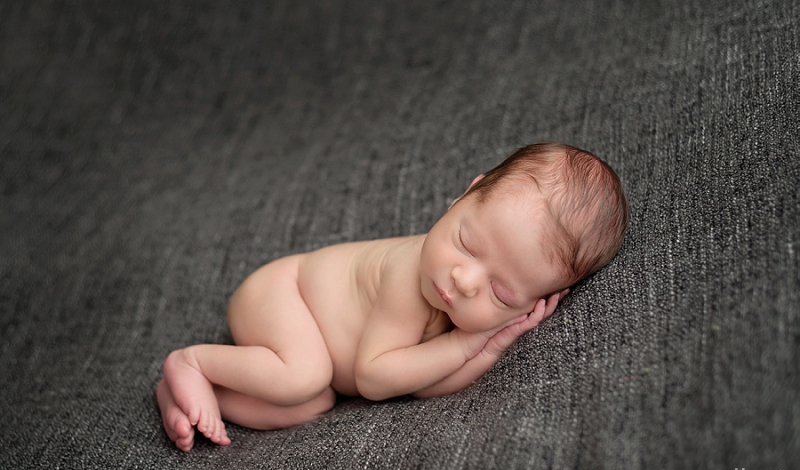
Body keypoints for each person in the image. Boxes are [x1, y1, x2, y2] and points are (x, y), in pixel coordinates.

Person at [156, 142, 629, 452]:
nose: (464, 279)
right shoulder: (411, 272)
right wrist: (467, 343)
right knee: (305, 375)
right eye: (466, 243)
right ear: (467, 193)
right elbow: (376, 378)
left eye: (501, 292)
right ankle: (192, 363)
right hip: (282, 294)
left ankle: (202, 395)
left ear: (534, 302)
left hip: (308, 349)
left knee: (311, 401)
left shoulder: (461, 305)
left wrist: (493, 345)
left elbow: (420, 384)